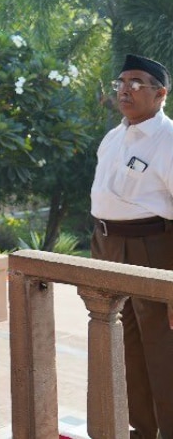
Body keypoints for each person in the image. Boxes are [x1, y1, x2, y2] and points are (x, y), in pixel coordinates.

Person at [89, 54, 173, 439]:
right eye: (120, 82)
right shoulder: (113, 137)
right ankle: (143, 430)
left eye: (136, 82)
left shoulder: (167, 139)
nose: (125, 89)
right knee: (125, 348)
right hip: (108, 246)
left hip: (152, 250)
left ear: (160, 94)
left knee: (163, 350)